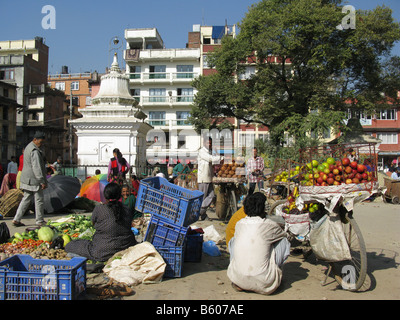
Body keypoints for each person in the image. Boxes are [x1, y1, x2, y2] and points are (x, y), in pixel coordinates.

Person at [227, 192, 290, 295]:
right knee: (283, 241)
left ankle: (240, 275)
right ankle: (275, 275)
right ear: (262, 209)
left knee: (233, 240)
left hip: (238, 279)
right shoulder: (269, 225)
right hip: (264, 282)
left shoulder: (239, 224)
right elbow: (284, 235)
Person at [65, 182, 137, 262]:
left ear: (105, 196)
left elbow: (93, 223)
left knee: (70, 245)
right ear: (119, 195)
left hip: (103, 252)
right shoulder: (126, 209)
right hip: (127, 249)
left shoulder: (99, 209)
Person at [12, 132, 48, 227]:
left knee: (26, 199)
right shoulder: (34, 151)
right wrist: (41, 180)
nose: (41, 144)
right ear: (35, 139)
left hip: (26, 178)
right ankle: (39, 220)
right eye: (40, 142)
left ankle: (16, 219)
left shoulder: (28, 147)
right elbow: (37, 167)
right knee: (39, 199)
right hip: (34, 179)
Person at [197, 137, 223, 221]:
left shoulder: (209, 152)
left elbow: (212, 162)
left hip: (209, 178)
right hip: (203, 178)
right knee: (203, 198)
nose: (210, 144)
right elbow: (210, 158)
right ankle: (200, 213)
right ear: (204, 143)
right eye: (208, 143)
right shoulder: (202, 151)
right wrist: (220, 158)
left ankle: (201, 212)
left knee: (211, 195)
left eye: (210, 143)